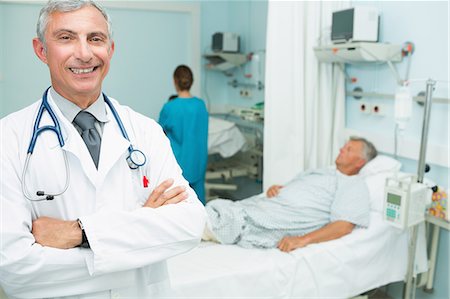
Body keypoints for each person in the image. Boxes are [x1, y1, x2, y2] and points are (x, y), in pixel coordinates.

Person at [0, 1, 206, 298]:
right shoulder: (9, 137)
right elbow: (12, 265)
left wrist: (80, 233)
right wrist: (140, 242)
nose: (84, 53)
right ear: (41, 50)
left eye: (95, 38)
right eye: (66, 38)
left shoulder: (145, 131)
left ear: (110, 49)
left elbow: (190, 224)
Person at [203, 137, 377, 252]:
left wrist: (302, 240)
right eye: (344, 146)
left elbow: (343, 226)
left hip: (278, 218)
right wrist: (279, 189)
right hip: (267, 205)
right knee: (221, 212)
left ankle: (193, 224)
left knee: (217, 219)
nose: (341, 149)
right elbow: (294, 188)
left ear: (360, 162)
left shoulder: (353, 185)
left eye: (349, 149)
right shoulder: (324, 172)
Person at [159, 65, 209, 204]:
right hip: (198, 161)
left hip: (178, 163)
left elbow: (159, 134)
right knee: (199, 204)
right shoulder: (200, 105)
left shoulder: (170, 107)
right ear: (191, 81)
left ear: (175, 81)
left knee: (179, 205)